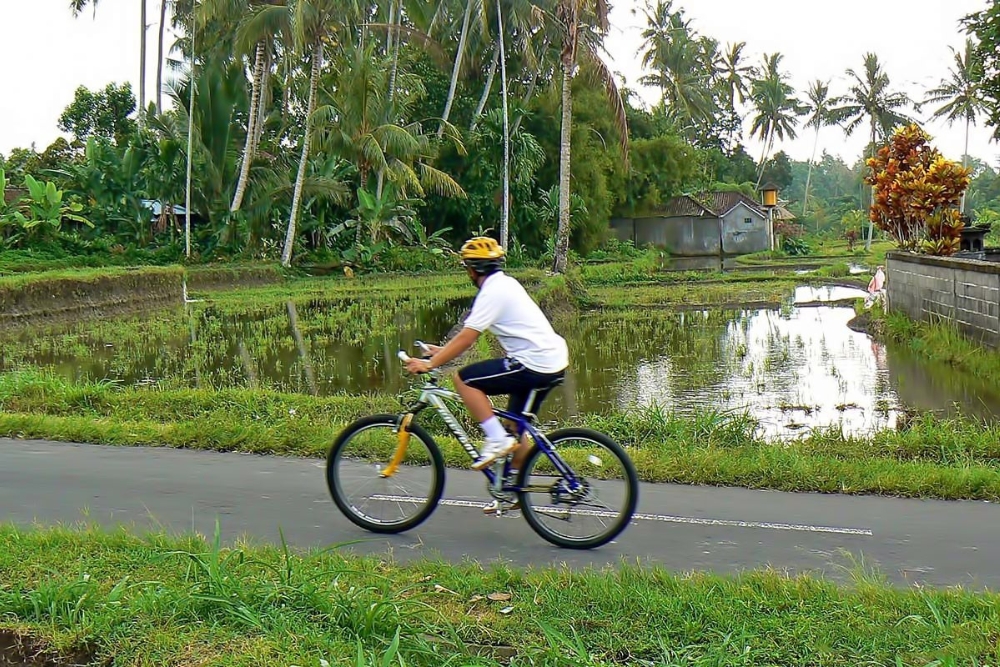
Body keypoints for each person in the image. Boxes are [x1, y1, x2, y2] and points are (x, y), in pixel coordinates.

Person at [404, 236, 569, 476]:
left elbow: (467, 338)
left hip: (533, 363)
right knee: (514, 427)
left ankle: (496, 439)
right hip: (551, 361)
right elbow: (469, 335)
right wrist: (441, 352)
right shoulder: (505, 284)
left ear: (472, 270)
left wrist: (429, 364)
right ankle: (512, 488)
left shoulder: (492, 292)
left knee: (464, 380)